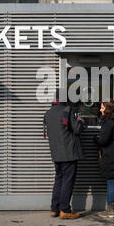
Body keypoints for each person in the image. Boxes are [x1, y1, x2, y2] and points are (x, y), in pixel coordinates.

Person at [43, 89, 86, 219]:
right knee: (67, 181)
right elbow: (77, 130)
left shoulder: (48, 113)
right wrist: (80, 120)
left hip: (56, 153)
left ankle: (54, 209)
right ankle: (65, 210)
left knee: (59, 180)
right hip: (69, 153)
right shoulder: (67, 111)